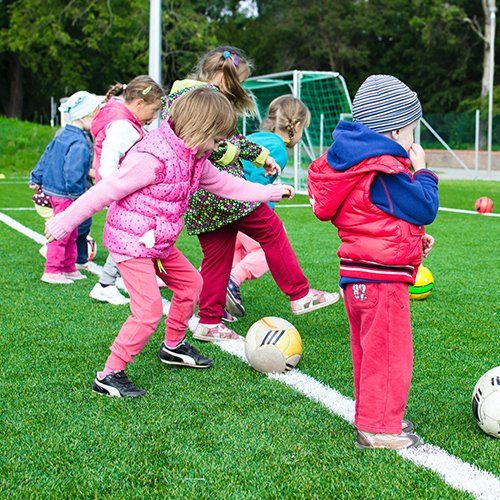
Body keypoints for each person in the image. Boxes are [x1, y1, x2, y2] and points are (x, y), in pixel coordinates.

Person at [44, 88, 294, 398]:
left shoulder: (195, 156)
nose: (220, 146)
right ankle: (108, 374)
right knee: (148, 311)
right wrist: (64, 222)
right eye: (217, 139)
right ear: (198, 130)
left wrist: (267, 192)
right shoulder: (151, 158)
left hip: (158, 243)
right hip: (131, 243)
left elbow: (223, 184)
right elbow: (105, 191)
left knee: (192, 285)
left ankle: (173, 347)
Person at [167, 46, 339, 341]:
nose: (240, 88)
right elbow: (212, 145)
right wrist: (236, 156)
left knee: (217, 258)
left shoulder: (185, 95)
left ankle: (209, 322)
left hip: (201, 199)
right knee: (272, 231)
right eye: (239, 81)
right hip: (223, 192)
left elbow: (231, 138)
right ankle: (299, 294)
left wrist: (261, 156)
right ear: (223, 77)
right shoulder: (203, 99)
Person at [308, 74, 439, 450]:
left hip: (359, 275)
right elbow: (424, 206)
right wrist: (424, 171)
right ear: (396, 130)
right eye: (412, 130)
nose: (414, 140)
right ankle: (379, 427)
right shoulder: (382, 169)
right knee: (388, 353)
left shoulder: (356, 166)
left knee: (369, 351)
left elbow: (375, 217)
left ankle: (374, 413)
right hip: (381, 281)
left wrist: (413, 241)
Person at [226, 95, 311, 318]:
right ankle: (232, 281)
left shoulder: (255, 137)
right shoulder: (279, 150)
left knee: (231, 254)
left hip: (225, 205)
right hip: (246, 207)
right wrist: (271, 193)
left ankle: (209, 292)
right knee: (268, 248)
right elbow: (256, 180)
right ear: (298, 126)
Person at [88, 75, 164, 306]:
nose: (153, 118)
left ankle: (137, 275)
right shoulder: (123, 126)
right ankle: (105, 284)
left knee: (142, 232)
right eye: (153, 111)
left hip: (124, 190)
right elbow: (109, 162)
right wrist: (115, 190)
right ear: (139, 104)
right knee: (130, 236)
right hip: (122, 191)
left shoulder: (126, 121)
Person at [30, 91, 102, 284]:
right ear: (85, 116)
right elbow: (73, 171)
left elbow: (46, 155)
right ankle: (52, 270)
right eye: (95, 116)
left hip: (56, 190)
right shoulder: (79, 141)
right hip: (67, 194)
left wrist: (36, 176)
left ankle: (68, 267)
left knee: (71, 231)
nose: (97, 121)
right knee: (63, 231)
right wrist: (78, 196)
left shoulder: (62, 134)